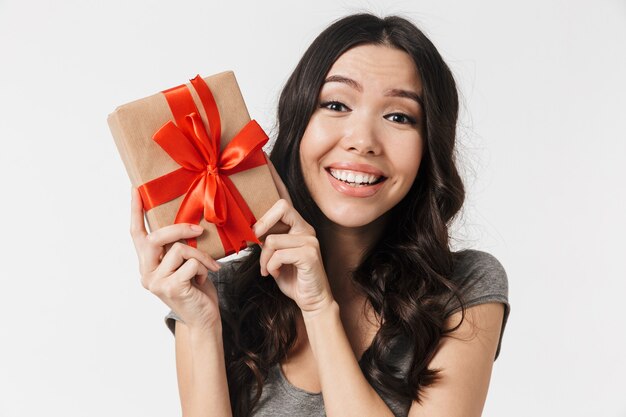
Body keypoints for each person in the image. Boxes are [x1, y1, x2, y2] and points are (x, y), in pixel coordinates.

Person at [129, 13, 510, 417]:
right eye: (336, 104)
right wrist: (203, 326)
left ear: (429, 146)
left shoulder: (464, 290)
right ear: (298, 125)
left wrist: (318, 307)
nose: (362, 141)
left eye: (399, 116)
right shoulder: (220, 296)